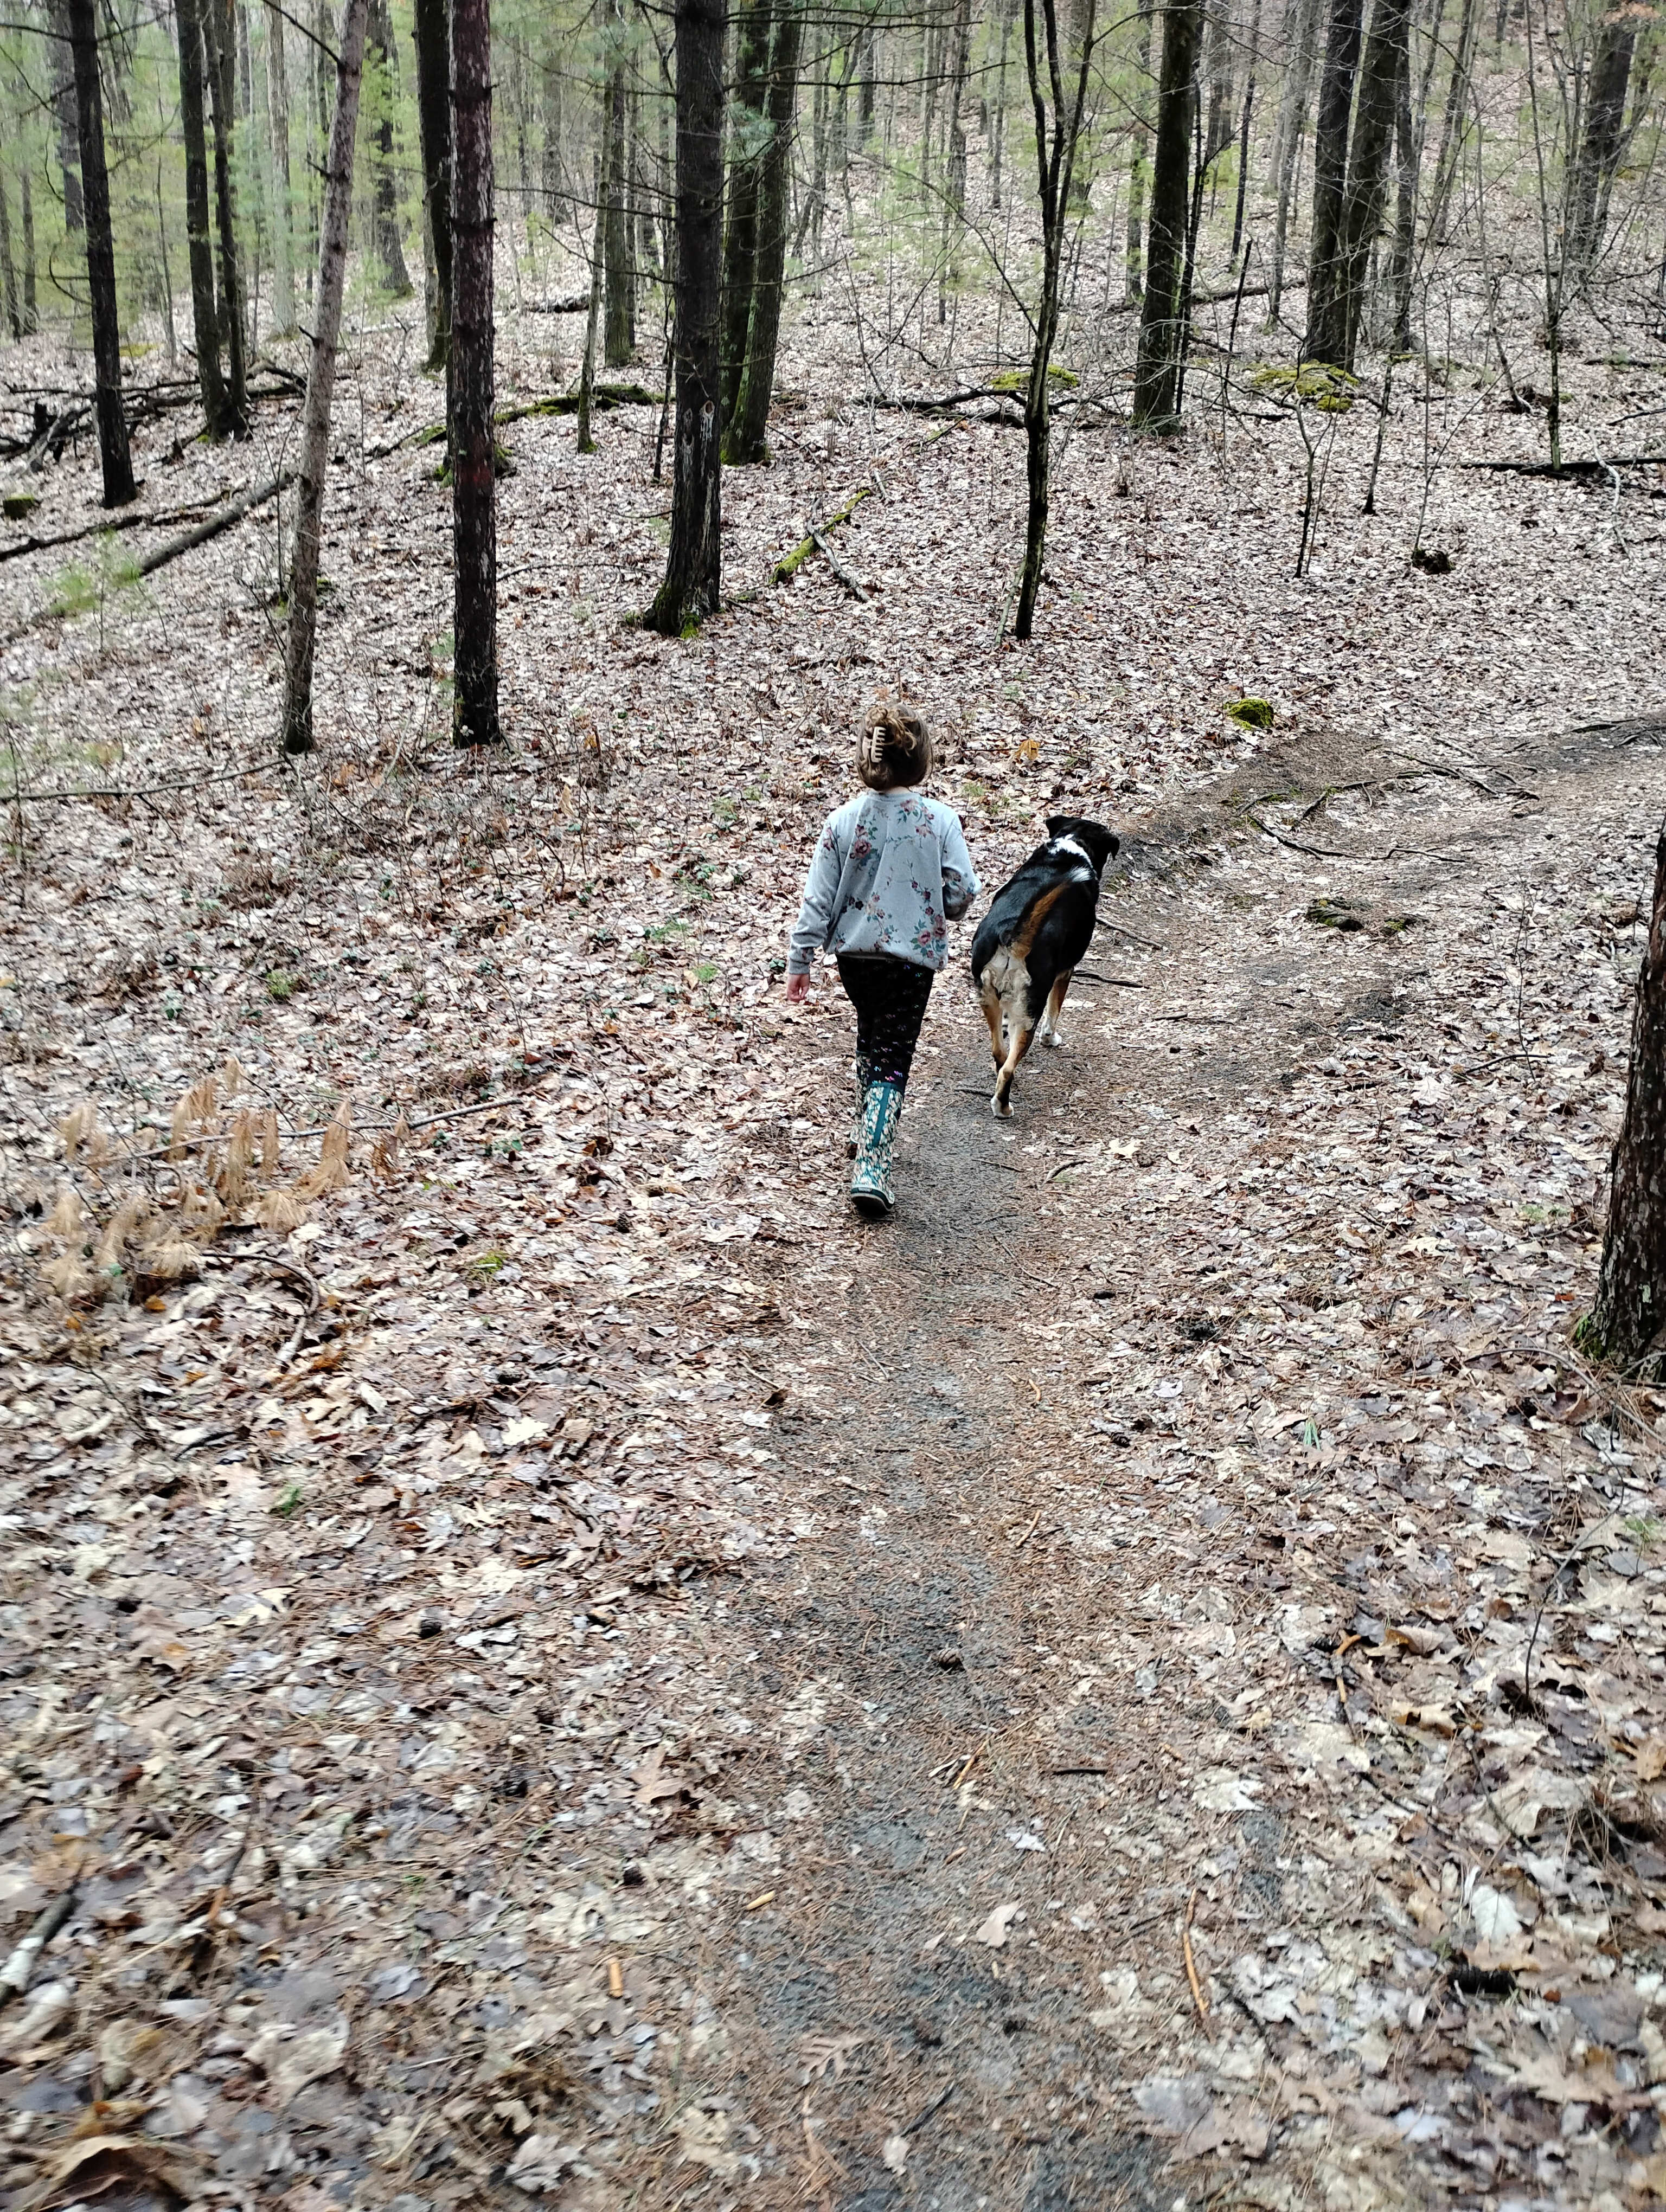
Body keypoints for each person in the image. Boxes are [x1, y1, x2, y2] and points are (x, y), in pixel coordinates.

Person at [786, 698, 981, 1218]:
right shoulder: (940, 820)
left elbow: (817, 900)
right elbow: (962, 891)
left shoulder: (841, 821)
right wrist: (942, 904)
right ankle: (872, 1166)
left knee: (873, 1034)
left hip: (855, 958)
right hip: (911, 959)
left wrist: (799, 960)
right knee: (894, 1054)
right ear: (919, 762)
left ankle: (863, 1126)